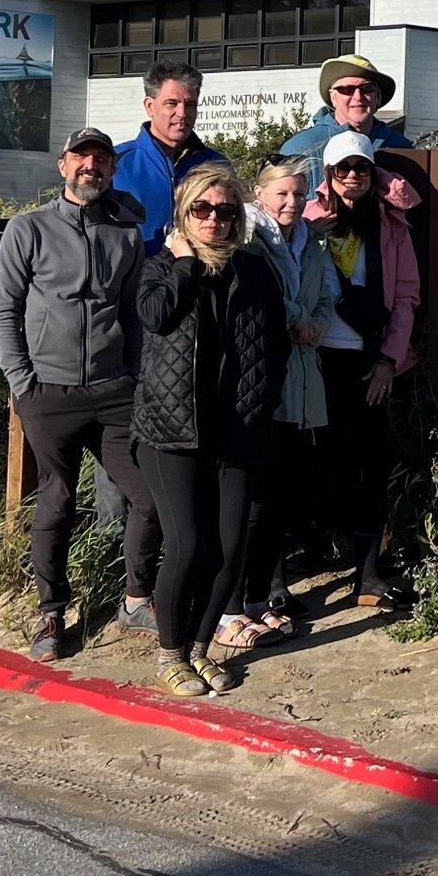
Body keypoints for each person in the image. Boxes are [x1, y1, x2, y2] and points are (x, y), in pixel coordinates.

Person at [0, 126, 160, 663]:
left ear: (112, 168)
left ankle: (136, 599)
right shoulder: (28, 228)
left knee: (148, 497)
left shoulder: (126, 233)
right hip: (49, 391)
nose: (92, 167)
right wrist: (22, 383)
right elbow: (3, 312)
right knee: (58, 501)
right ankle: (51, 612)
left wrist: (133, 376)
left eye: (102, 160)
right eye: (82, 159)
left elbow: (132, 315)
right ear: (63, 165)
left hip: (113, 394)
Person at [133, 164, 289, 697]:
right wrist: (182, 265)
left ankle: (199, 649)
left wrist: (262, 403)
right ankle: (169, 654)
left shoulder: (255, 271)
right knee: (187, 543)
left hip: (237, 430)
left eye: (226, 211)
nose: (215, 220)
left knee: (230, 547)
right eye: (203, 210)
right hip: (171, 432)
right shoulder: (160, 268)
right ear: (184, 213)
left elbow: (276, 344)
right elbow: (155, 317)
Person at [225, 156, 341, 640]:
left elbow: (327, 299)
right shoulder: (249, 243)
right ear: (260, 194)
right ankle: (232, 606)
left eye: (298, 193)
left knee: (280, 499)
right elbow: (258, 299)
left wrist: (314, 323)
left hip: (302, 382)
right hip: (258, 385)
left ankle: (260, 596)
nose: (291, 202)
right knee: (247, 502)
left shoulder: (311, 244)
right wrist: (295, 318)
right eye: (282, 194)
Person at [304, 131, 421, 608]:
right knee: (317, 463)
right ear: (328, 177)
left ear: (374, 175)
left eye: (361, 168)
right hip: (317, 360)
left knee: (373, 465)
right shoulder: (309, 221)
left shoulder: (391, 225)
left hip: (372, 360)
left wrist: (388, 362)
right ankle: (307, 558)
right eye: (342, 169)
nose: (352, 176)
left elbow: (407, 296)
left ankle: (368, 574)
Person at [115, 61, 228, 257]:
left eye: (190, 104)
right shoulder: (116, 164)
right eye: (172, 103)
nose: (182, 113)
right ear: (150, 106)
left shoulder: (218, 165)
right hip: (135, 284)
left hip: (202, 283)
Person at [280, 55, 413, 192]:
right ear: (333, 97)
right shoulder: (301, 148)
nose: (358, 97)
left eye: (367, 88)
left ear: (377, 96)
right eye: (346, 89)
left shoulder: (402, 148)